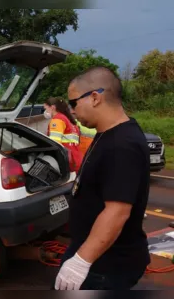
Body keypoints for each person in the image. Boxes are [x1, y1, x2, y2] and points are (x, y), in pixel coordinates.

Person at [54, 66, 150, 290]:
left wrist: (81, 262)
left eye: (74, 102)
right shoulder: (106, 134)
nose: (72, 111)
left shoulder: (122, 145)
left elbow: (117, 212)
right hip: (93, 250)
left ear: (95, 97)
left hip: (106, 263)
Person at [43, 97, 83, 172]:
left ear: (52, 107)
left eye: (45, 108)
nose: (45, 112)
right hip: (76, 158)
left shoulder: (57, 120)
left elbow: (55, 143)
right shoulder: (68, 120)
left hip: (67, 160)